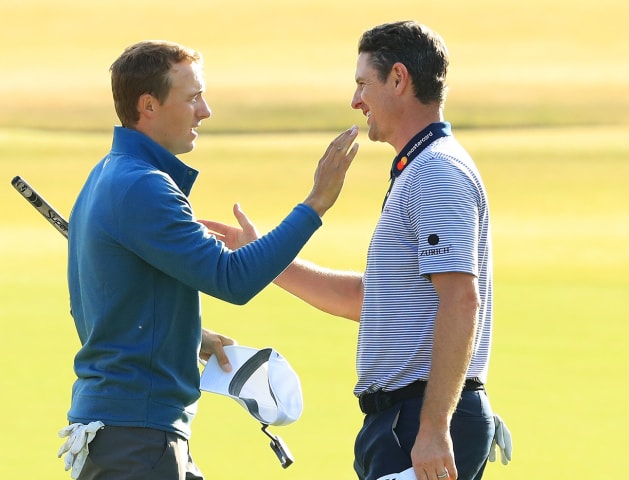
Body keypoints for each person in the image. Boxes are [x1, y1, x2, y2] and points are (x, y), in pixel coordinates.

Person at [201, 21, 499, 480]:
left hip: (417, 420)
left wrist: (437, 426)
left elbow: (461, 301)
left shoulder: (436, 173)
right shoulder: (419, 169)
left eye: (363, 83)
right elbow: (370, 301)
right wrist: (265, 256)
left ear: (398, 79)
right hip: (401, 421)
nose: (355, 100)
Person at [61, 40, 359, 480]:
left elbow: (103, 300)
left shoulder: (108, 174)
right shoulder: (143, 187)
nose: (206, 111)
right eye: (193, 97)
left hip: (126, 434)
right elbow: (231, 279)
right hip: (137, 440)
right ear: (148, 106)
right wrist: (315, 204)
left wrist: (184, 333)